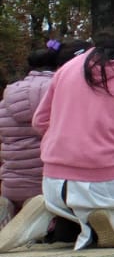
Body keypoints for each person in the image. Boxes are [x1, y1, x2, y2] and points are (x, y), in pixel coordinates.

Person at [0, 13, 114, 252]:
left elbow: (40, 121)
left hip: (53, 178)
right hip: (106, 178)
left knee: (81, 191)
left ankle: (53, 209)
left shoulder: (72, 66)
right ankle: (111, 216)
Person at [1, 41, 65, 220]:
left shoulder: (6, 100)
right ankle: (40, 216)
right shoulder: (61, 92)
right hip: (46, 181)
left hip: (11, 181)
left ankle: (8, 203)